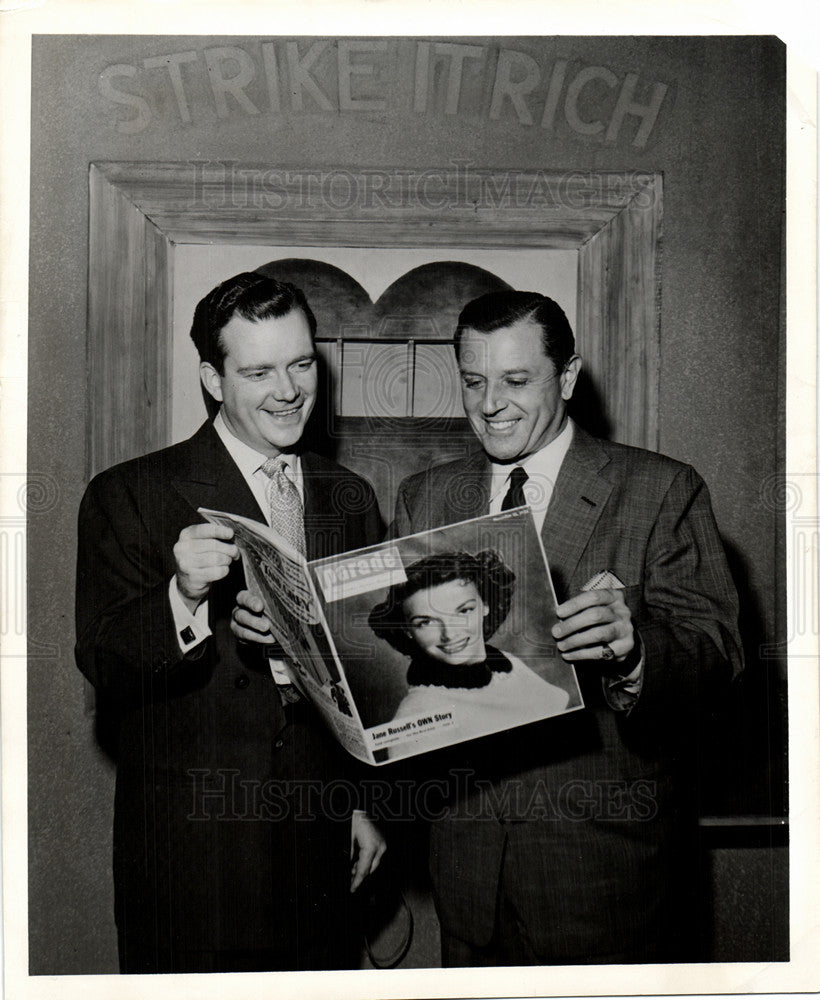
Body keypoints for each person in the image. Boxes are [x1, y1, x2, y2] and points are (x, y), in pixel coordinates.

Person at [390, 290, 743, 966]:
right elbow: (404, 664)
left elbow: (720, 656)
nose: (490, 403)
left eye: (517, 380)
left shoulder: (660, 489)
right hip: (467, 876)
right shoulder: (425, 496)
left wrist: (637, 650)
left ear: (570, 377)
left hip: (605, 880)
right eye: (473, 380)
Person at [75, 272, 385, 974]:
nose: (288, 390)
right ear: (213, 380)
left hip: (318, 857)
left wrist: (358, 803)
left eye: (302, 363)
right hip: (194, 865)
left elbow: (363, 672)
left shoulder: (349, 497)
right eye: (259, 371)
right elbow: (103, 660)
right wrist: (182, 596)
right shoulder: (130, 494)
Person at [369, 550, 570, 747]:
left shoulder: (507, 667)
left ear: (485, 604)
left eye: (463, 611)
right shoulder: (417, 714)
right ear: (408, 630)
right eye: (426, 622)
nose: (449, 634)